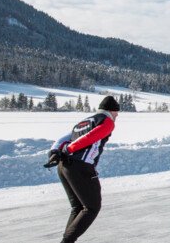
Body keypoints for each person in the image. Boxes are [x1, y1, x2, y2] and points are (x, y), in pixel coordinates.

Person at [46, 96, 120, 243]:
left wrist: (54, 151)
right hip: (80, 167)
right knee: (92, 207)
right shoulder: (107, 122)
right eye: (116, 112)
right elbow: (91, 136)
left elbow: (64, 138)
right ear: (110, 110)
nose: (117, 116)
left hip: (64, 166)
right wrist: (69, 149)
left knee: (78, 207)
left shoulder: (84, 121)